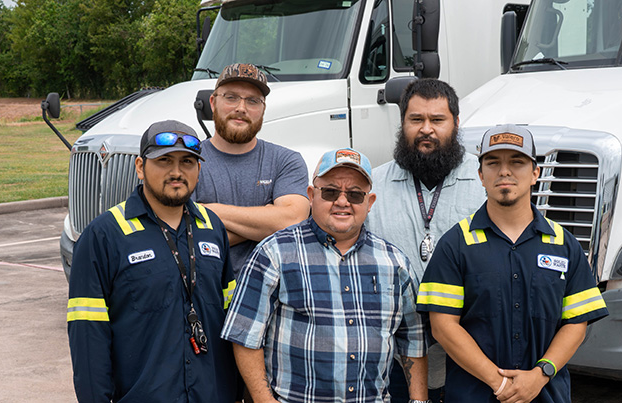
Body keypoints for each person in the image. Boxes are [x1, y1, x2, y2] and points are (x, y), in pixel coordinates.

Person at [417, 125, 609, 403]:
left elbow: (576, 322)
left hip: (546, 394)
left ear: (535, 174)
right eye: (493, 163)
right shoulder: (456, 243)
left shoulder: (563, 244)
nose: (504, 171)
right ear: (481, 176)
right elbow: (443, 326)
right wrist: (501, 384)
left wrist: (541, 374)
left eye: (517, 162)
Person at [221, 148, 430, 403]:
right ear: (311, 195)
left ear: (370, 202)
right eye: (330, 192)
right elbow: (244, 336)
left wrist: (419, 400)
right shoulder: (274, 252)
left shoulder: (395, 262)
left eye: (355, 194)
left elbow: (413, 339)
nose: (343, 201)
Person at [67, 120, 238, 403]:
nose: (176, 172)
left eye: (187, 162)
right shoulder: (104, 235)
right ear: (139, 167)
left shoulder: (212, 227)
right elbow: (88, 338)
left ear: (198, 169)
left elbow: (232, 320)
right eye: (164, 161)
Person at [366, 78, 484, 401]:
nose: (426, 129)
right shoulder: (373, 185)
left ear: (456, 124)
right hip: (392, 358)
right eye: (416, 119)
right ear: (402, 123)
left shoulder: (483, 180)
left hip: (471, 353)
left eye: (437, 120)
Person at [196, 63, 310, 275]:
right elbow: (177, 235)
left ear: (263, 108)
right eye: (231, 97)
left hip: (271, 297)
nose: (241, 108)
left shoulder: (286, 161)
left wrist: (203, 210)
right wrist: (266, 221)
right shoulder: (189, 162)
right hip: (202, 295)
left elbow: (293, 222)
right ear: (213, 102)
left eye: (253, 100)